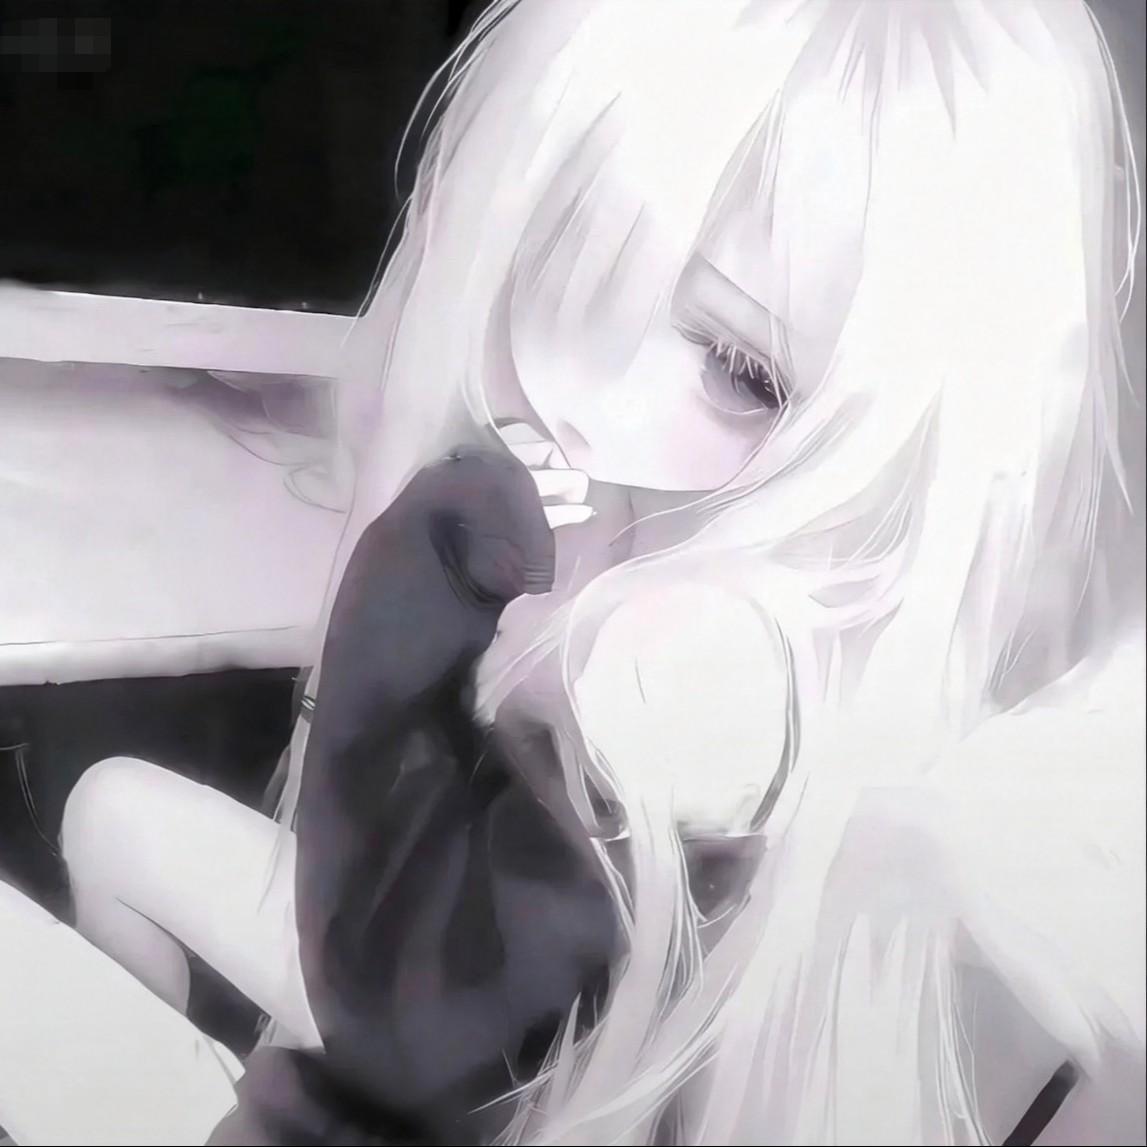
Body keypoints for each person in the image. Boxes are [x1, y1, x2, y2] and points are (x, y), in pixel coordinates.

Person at [43, 1, 1146, 1143]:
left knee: (103, 841)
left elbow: (410, 1014)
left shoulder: (688, 678)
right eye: (571, 244)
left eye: (738, 365)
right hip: (433, 1007)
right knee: (114, 815)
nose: (580, 389)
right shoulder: (684, 572)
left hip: (443, 1040)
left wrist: (419, 577)